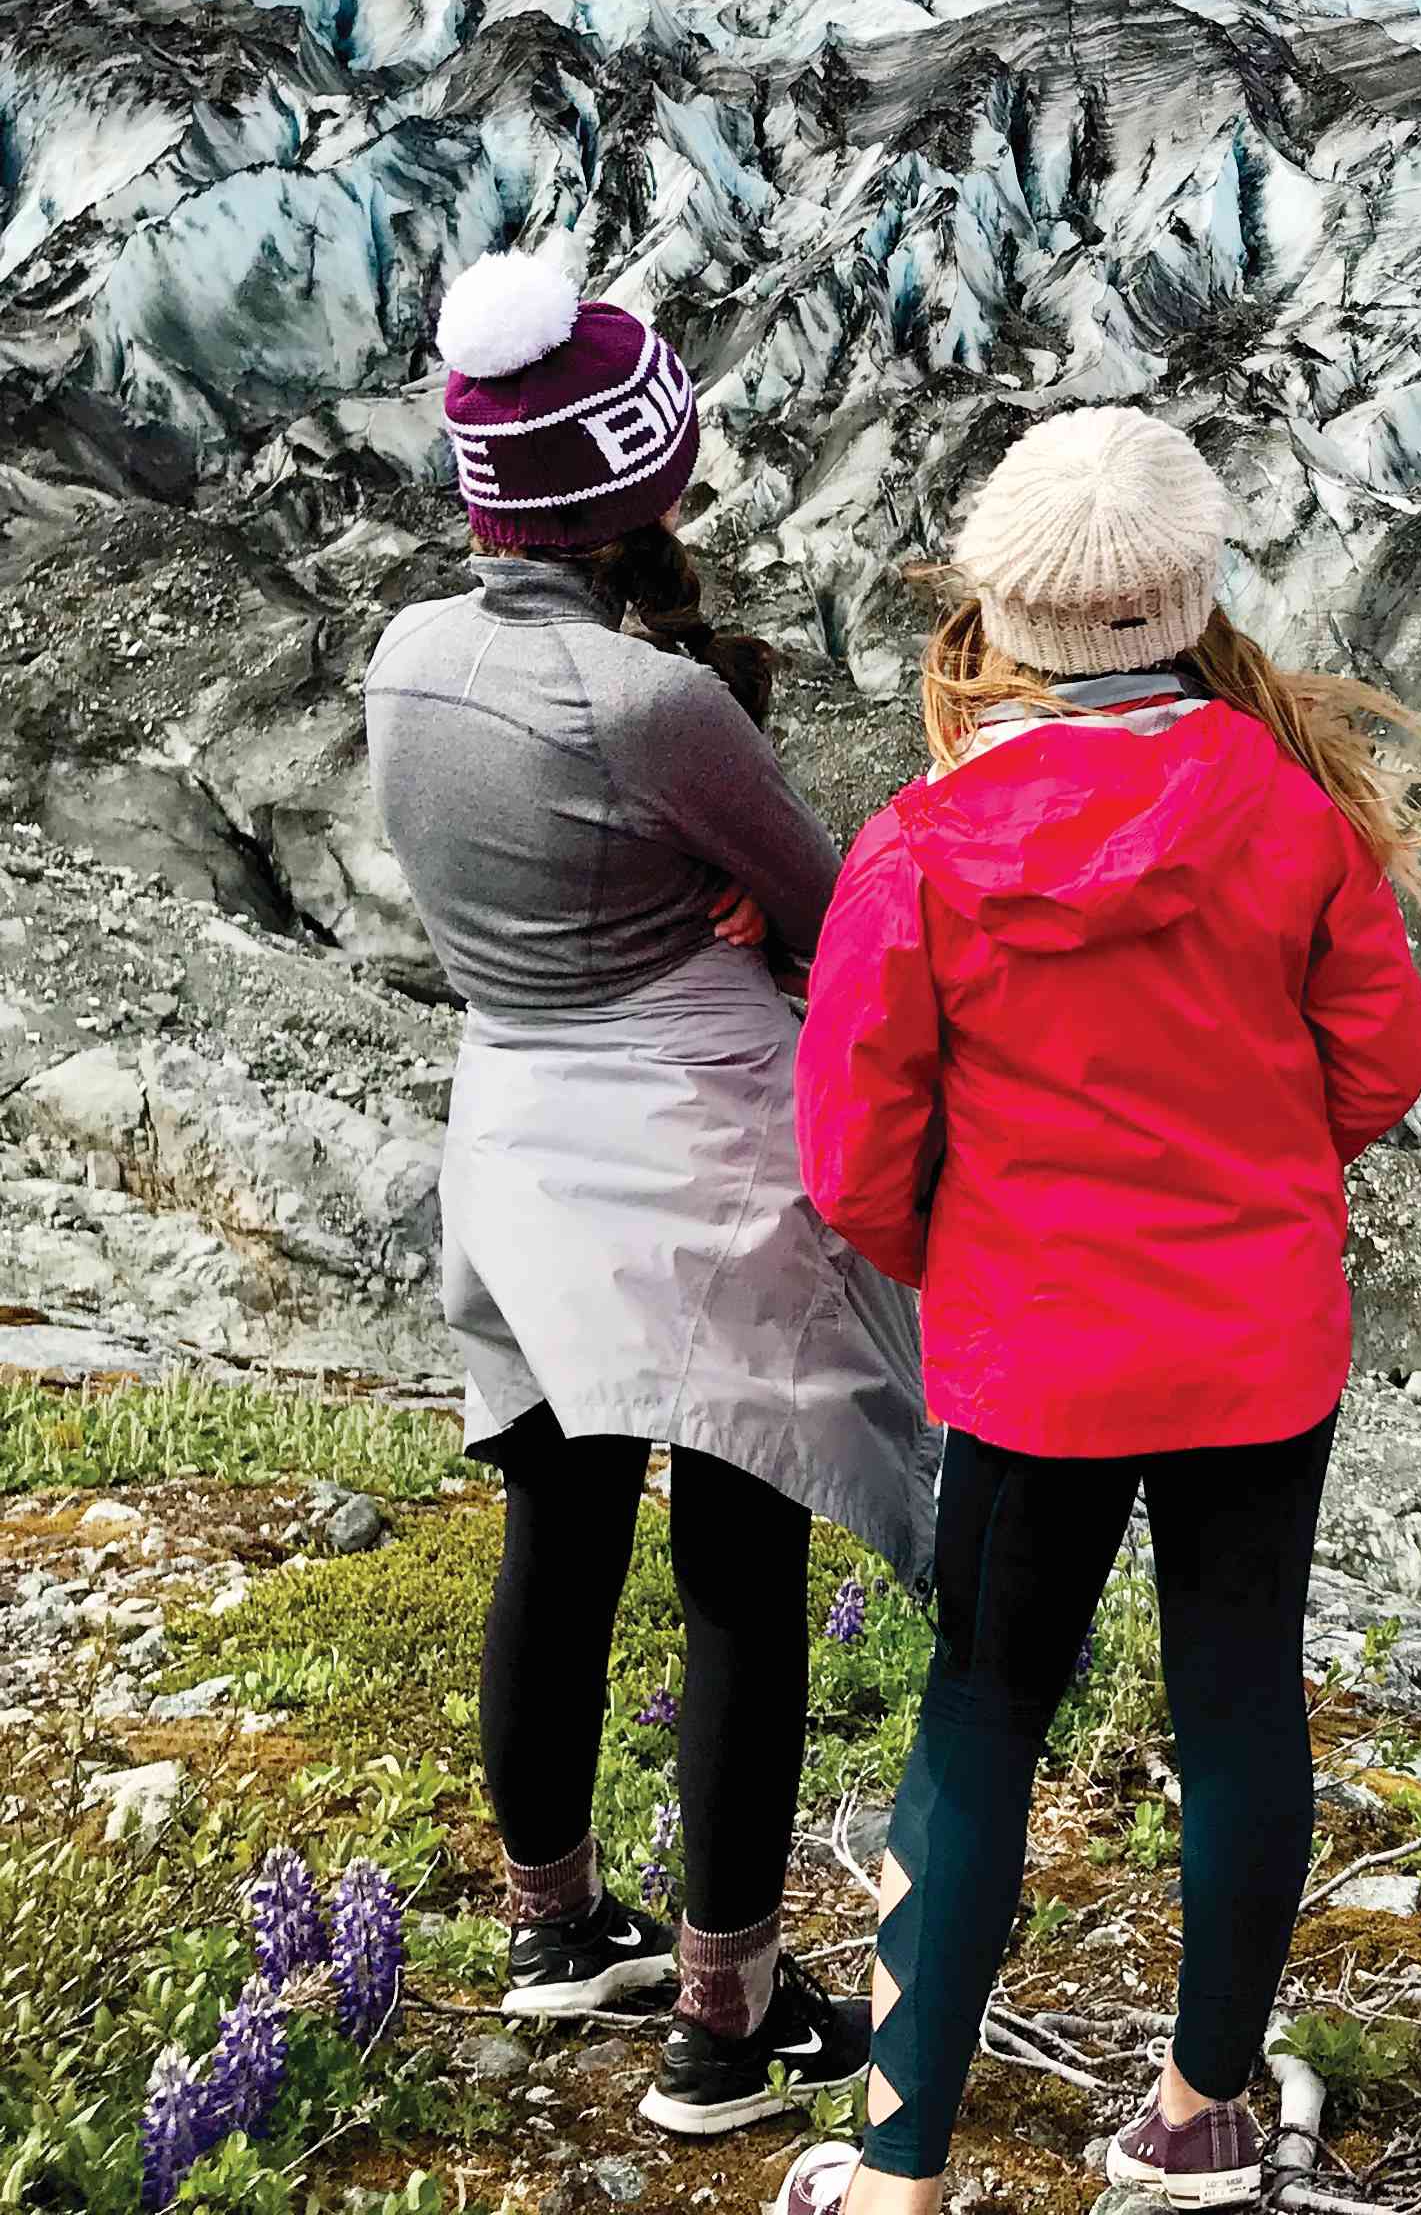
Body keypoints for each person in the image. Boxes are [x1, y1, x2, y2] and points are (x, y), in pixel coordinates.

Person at [773, 403, 1421, 2215]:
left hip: (1033, 1359)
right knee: (1240, 1708)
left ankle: (901, 2158)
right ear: (1193, 594)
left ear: (995, 607)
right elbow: (1381, 1061)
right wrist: (1257, 1184)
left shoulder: (915, 853)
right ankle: (1200, 2114)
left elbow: (851, 1157)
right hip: (1257, 1344)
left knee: (983, 1712)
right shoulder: (1289, 816)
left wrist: (979, 1262)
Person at [365, 249, 936, 2145]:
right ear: (640, 484)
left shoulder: (406, 659)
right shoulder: (651, 704)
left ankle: (552, 1933)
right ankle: (729, 2019)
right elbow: (835, 908)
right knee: (739, 1573)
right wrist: (744, 913)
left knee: (559, 1527)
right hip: (688, 1153)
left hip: (510, 1130)